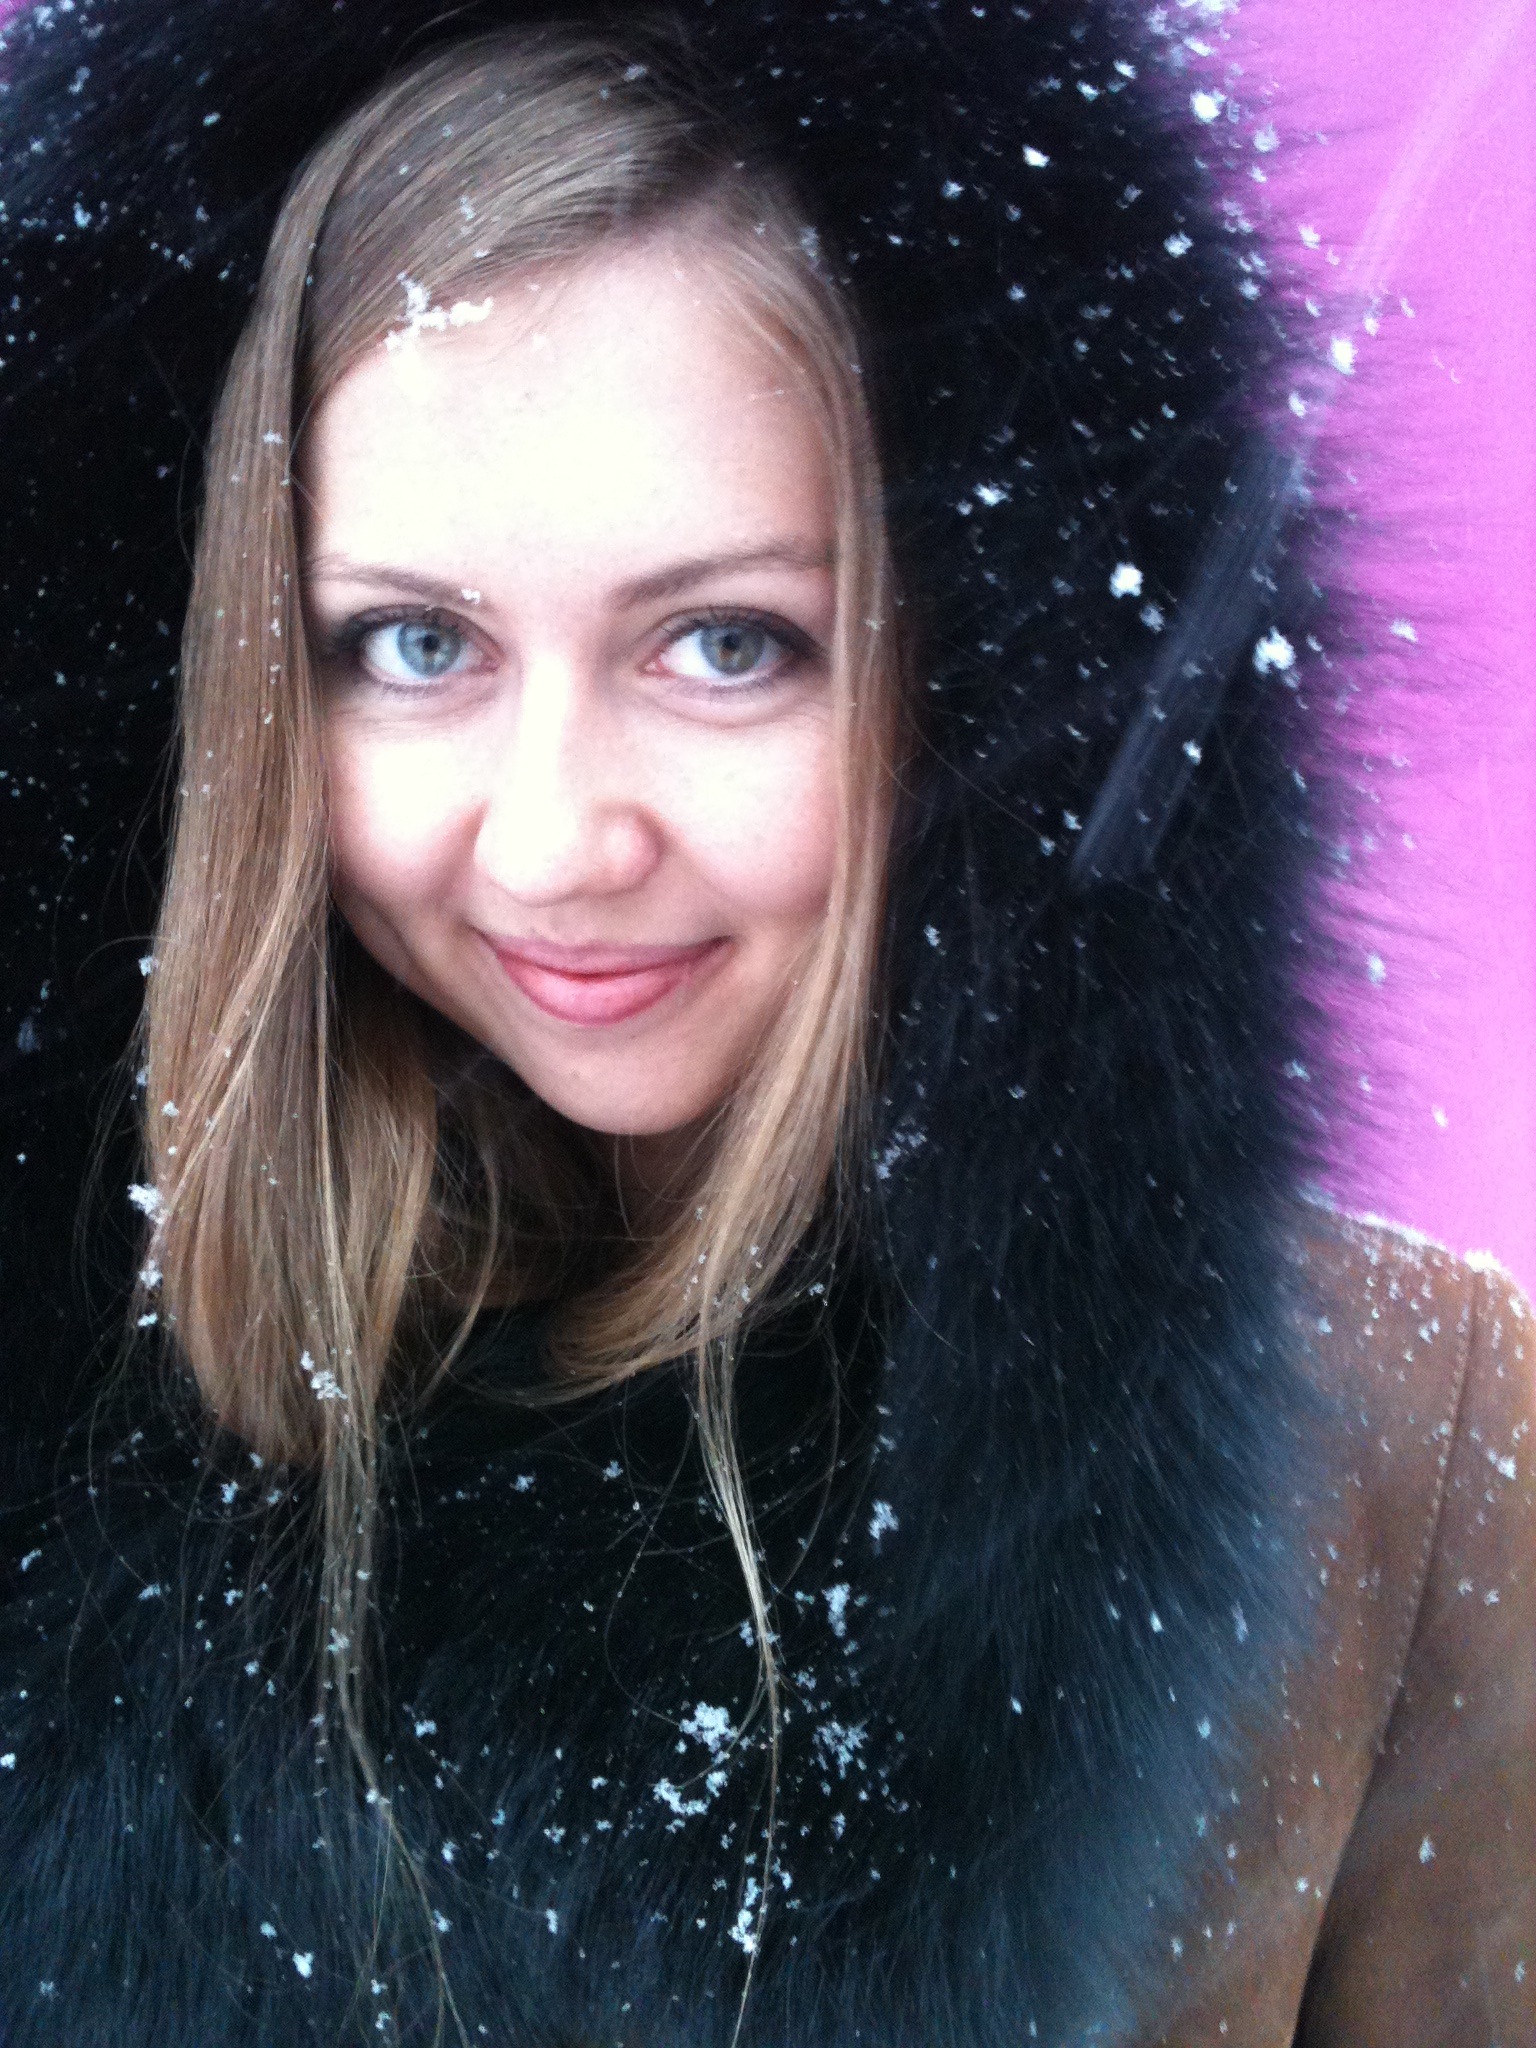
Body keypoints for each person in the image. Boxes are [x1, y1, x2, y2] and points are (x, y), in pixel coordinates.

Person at [0, 4, 1529, 2044]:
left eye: (728, 644)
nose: (552, 842)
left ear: (984, 670)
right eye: (413, 643)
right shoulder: (68, 1429)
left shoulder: (1405, 1455)